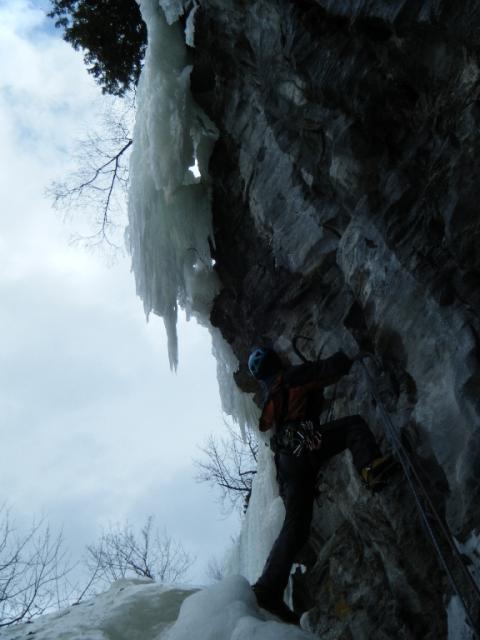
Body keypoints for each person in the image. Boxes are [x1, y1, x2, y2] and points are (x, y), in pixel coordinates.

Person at [247, 346, 393, 625]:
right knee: (353, 426)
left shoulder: (271, 397)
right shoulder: (291, 377)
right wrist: (352, 353)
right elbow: (325, 370)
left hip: (286, 465)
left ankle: (268, 588)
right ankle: (370, 469)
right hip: (305, 448)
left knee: (296, 527)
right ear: (275, 362)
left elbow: (268, 425)